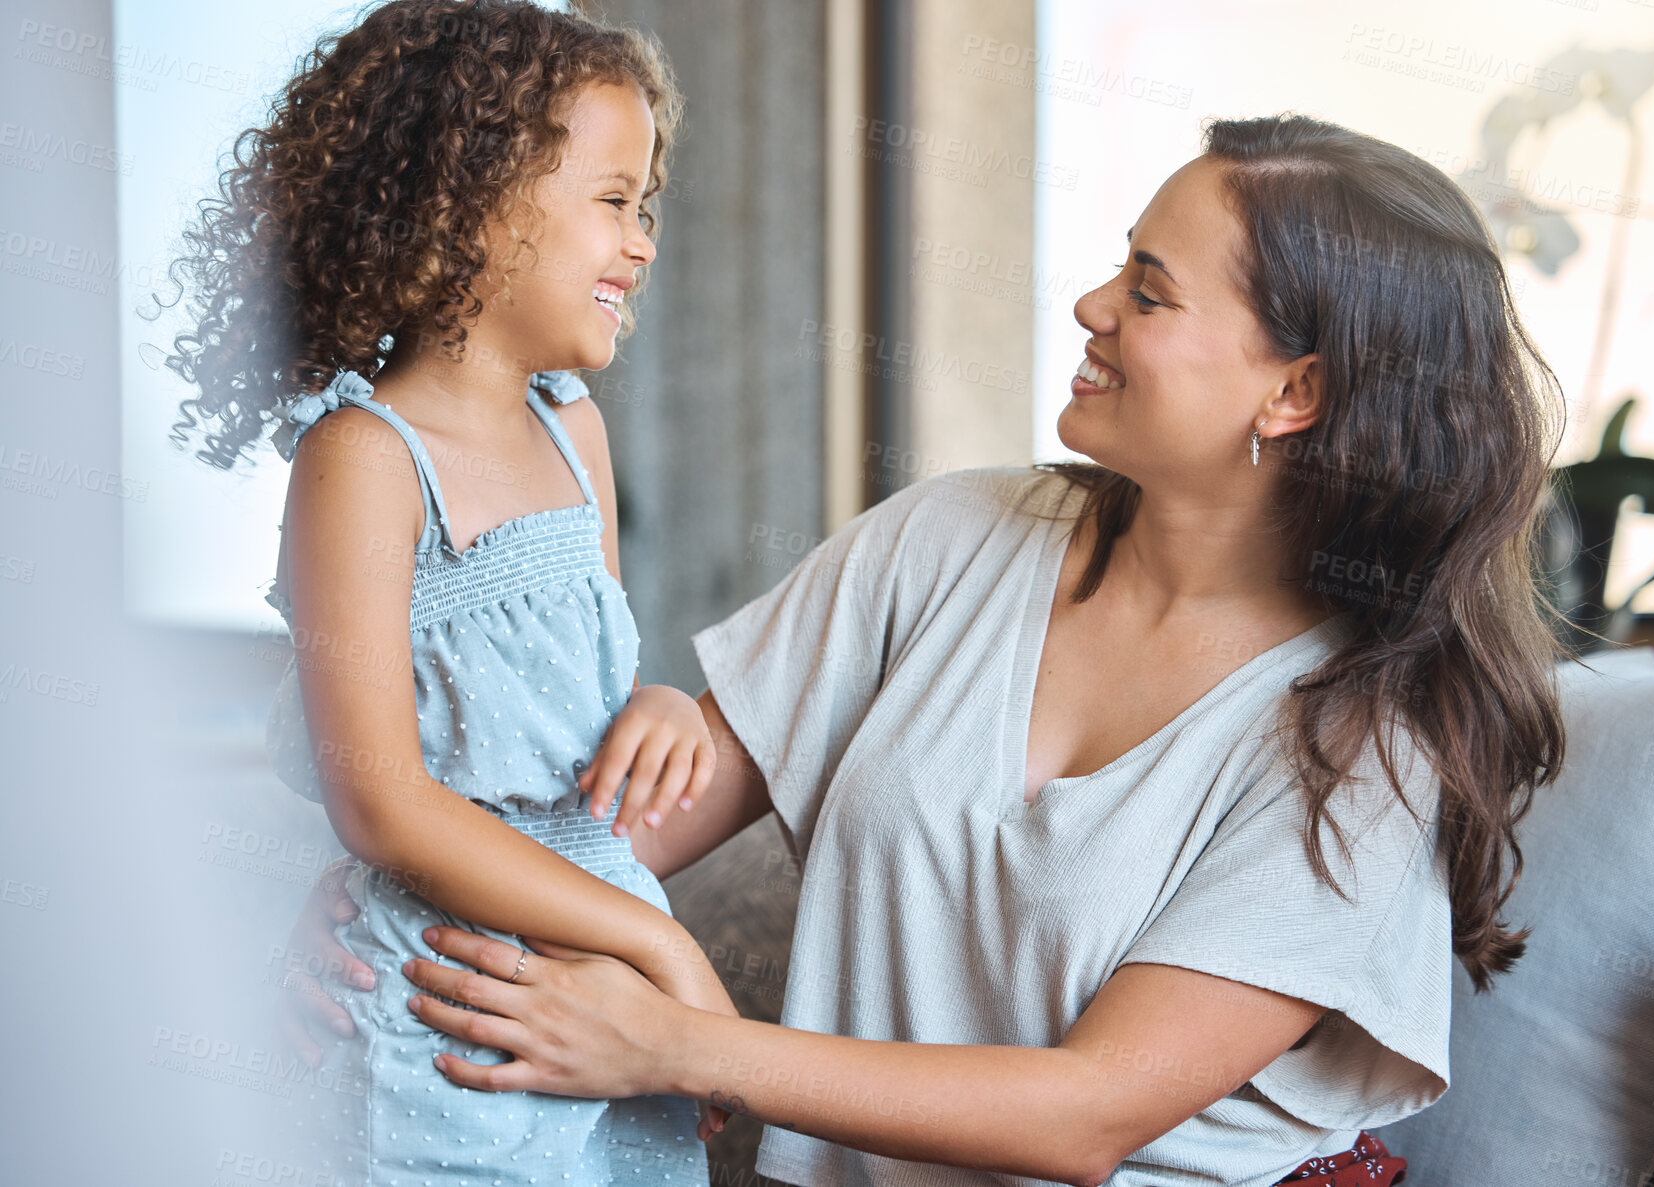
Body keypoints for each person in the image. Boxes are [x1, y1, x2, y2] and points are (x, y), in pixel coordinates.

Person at [285, 114, 1571, 1185]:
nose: (1091, 303)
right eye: (1121, 264)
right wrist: (393, 920)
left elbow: (1085, 1115)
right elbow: (611, 841)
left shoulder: (1362, 734)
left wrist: (681, 1041)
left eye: (1149, 290)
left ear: (1293, 393)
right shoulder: (953, 535)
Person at [163, 1, 735, 1182]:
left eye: (649, 206)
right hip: (446, 1028)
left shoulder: (576, 438)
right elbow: (385, 806)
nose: (644, 242)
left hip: (597, 1000)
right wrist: (664, 953)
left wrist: (661, 705)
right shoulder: (365, 461)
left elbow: (581, 718)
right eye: (613, 201)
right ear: (475, 200)